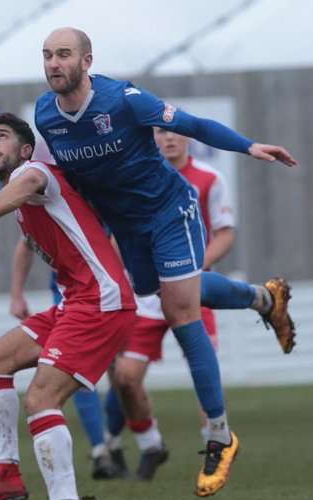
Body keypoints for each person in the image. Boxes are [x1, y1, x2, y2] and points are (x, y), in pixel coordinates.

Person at [36, 27, 297, 497]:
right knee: (168, 293)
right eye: (47, 55)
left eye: (63, 55)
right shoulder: (44, 115)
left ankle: (219, 436)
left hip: (169, 212)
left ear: (87, 61)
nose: (54, 63)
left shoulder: (125, 100)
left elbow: (192, 124)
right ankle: (264, 298)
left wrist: (250, 146)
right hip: (127, 229)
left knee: (181, 313)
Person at [0, 112, 136, 500]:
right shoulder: (21, 200)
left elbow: (30, 185)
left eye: (2, 137)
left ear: (26, 150)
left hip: (101, 301)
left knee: (41, 399)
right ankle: (5, 475)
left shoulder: (36, 174)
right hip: (77, 302)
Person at [105, 127, 237, 480]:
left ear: (189, 139)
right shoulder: (137, 178)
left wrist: (193, 267)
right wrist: (114, 274)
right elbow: (121, 234)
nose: (168, 139)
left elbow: (225, 233)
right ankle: (151, 445)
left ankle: (215, 447)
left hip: (190, 291)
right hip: (147, 298)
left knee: (202, 370)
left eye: (175, 132)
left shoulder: (209, 178)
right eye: (160, 133)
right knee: (126, 378)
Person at [9, 237, 122, 479]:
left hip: (111, 294)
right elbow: (27, 242)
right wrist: (17, 294)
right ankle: (100, 450)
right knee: (73, 370)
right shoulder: (50, 204)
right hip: (69, 298)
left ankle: (113, 439)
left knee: (123, 374)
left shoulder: (106, 203)